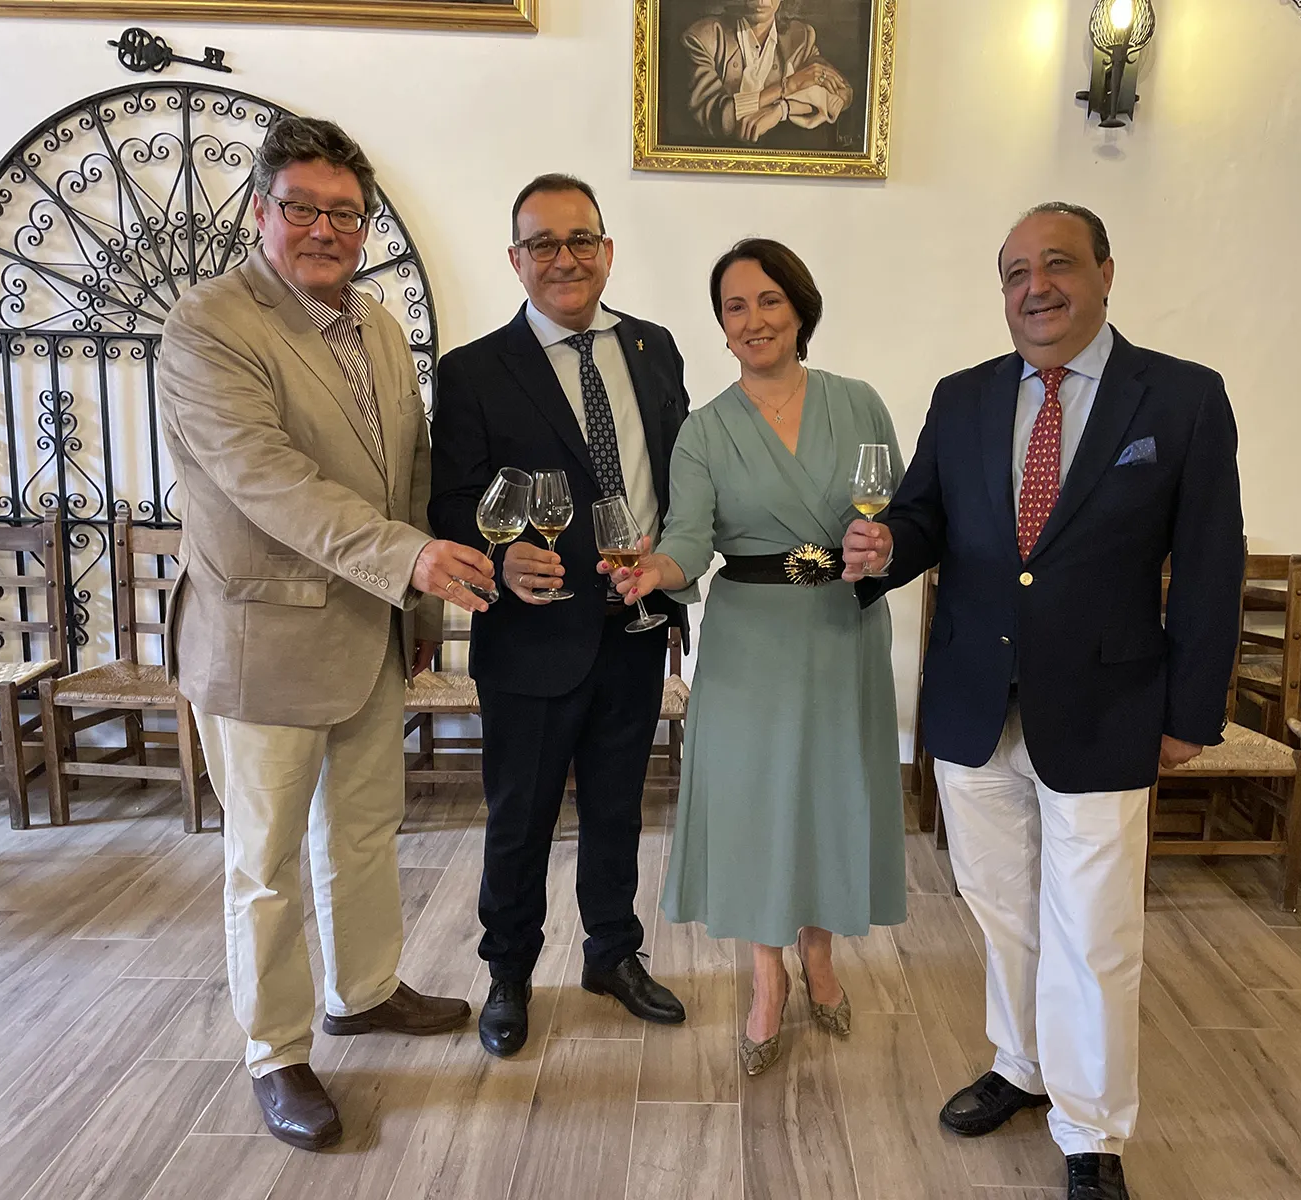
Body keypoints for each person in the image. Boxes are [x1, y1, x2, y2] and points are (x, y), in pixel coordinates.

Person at [845, 203, 1245, 1200]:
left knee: (1094, 927)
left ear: (1106, 271)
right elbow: (922, 515)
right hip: (977, 702)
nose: (1035, 287)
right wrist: (889, 547)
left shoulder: (1183, 399)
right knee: (1001, 910)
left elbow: (1207, 565)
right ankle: (1021, 1067)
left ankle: (1093, 1131)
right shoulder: (965, 395)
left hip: (1109, 707)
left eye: (1057, 264)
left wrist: (1191, 713)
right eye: (1014, 271)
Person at [157, 115, 496, 1152]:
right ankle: (277, 1049)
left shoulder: (382, 329)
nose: (324, 229)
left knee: (359, 832)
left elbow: (408, 479)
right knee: (263, 862)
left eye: (344, 213)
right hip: (262, 643)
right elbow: (269, 482)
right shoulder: (208, 326)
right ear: (262, 210)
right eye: (301, 207)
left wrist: (422, 611)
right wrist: (408, 562)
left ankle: (366, 989)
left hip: (373, 637)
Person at [606, 238, 906, 1077]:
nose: (754, 319)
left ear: (800, 308)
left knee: (825, 797)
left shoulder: (860, 403)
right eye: (735, 306)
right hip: (748, 640)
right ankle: (767, 978)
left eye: (769, 300)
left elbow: (901, 517)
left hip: (842, 631)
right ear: (722, 328)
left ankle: (821, 958)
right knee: (757, 808)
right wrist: (651, 571)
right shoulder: (703, 431)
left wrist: (882, 543)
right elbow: (688, 543)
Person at [430, 174, 690, 1059]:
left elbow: (677, 476)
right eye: (542, 243)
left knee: (619, 810)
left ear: (608, 251)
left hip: (632, 626)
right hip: (533, 637)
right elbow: (453, 498)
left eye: (581, 240)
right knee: (522, 817)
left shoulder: (656, 350)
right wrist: (497, 554)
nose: (564, 258)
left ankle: (613, 956)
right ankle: (508, 974)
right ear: (515, 260)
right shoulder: (471, 371)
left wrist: (674, 567)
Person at [684, 0, 854, 144]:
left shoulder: (800, 37)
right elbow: (717, 117)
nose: (761, 1)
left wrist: (782, 109)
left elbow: (841, 93)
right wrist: (787, 86)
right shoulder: (703, 37)